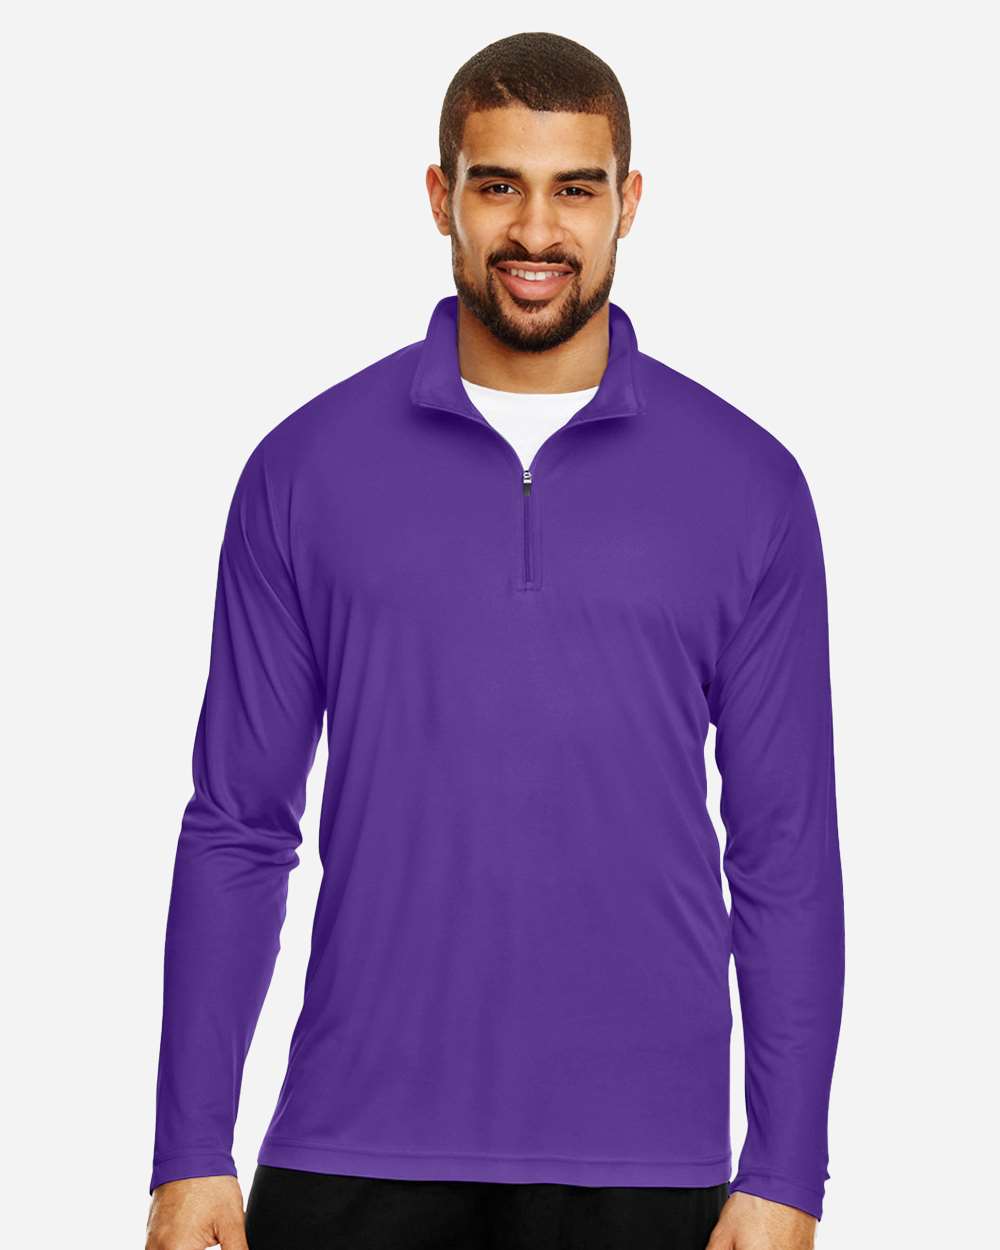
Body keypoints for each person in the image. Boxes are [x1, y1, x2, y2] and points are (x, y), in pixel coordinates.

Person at [145, 31, 845, 1250]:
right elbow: (239, 823)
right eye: (497, 185)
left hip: (647, 1165)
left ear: (628, 202)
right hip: (349, 1148)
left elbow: (783, 848)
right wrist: (188, 1144)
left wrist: (787, 1166)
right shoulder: (304, 469)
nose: (535, 229)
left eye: (574, 188)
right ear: (441, 197)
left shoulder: (749, 485)